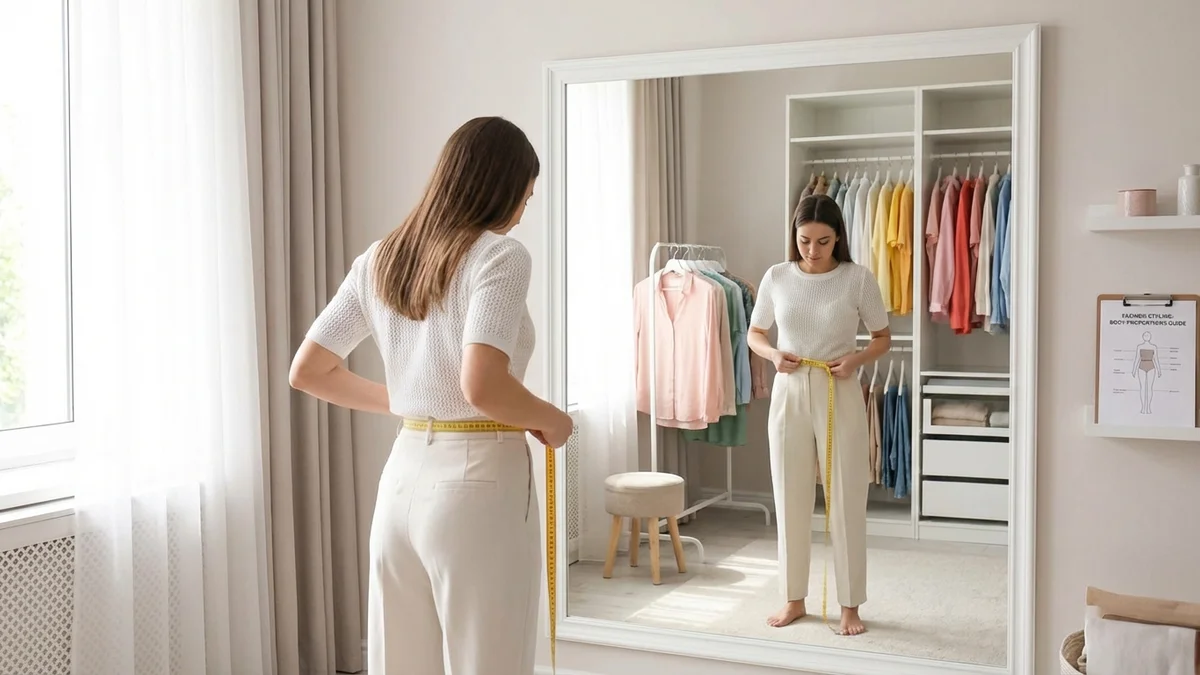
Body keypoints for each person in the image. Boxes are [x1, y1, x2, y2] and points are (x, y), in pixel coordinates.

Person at [289, 116, 573, 675]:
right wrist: (552, 419)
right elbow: (482, 384)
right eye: (524, 196)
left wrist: (408, 403)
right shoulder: (499, 256)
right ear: (501, 186)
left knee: (401, 664)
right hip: (478, 484)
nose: (522, 213)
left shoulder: (381, 258)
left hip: (399, 484)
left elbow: (309, 370)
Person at [747, 193, 891, 637]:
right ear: (795, 236)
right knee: (789, 494)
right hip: (789, 390)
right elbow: (755, 333)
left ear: (839, 238)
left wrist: (857, 361)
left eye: (823, 241)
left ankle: (850, 604)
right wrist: (772, 355)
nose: (812, 250)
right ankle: (794, 599)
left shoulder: (858, 279)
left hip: (839, 387)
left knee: (847, 498)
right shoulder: (777, 276)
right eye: (805, 240)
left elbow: (882, 337)